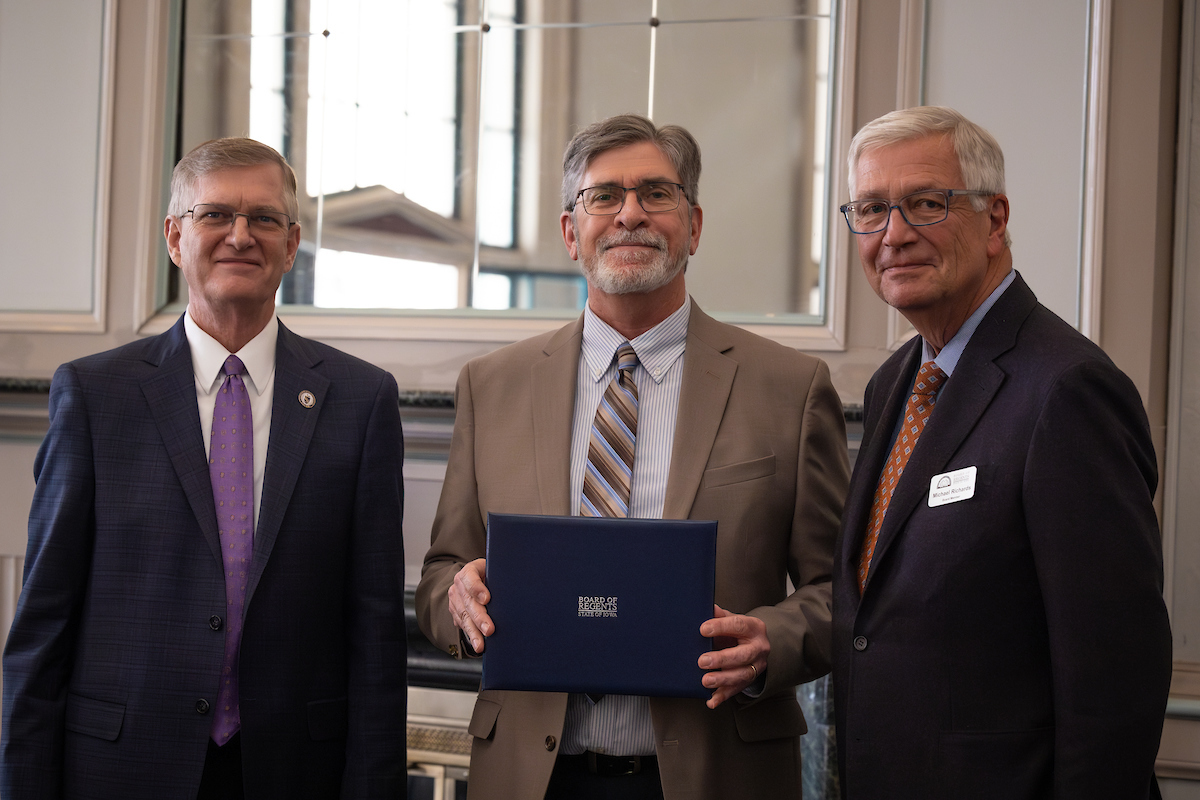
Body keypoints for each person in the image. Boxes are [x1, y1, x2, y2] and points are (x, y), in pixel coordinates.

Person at [416, 114, 849, 800]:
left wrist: (770, 640)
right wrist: (456, 601)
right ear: (570, 232)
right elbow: (441, 574)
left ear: (695, 225)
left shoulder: (789, 390)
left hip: (716, 774)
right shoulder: (491, 385)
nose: (630, 216)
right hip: (531, 777)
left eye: (656, 194)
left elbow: (841, 592)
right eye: (603, 198)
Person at [1, 138, 408, 799]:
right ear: (175, 236)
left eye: (264, 219)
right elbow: (43, 623)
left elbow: (375, 631)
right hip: (121, 767)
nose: (240, 236)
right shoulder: (95, 395)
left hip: (294, 771)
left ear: (292, 241)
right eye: (215, 214)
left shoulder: (360, 401)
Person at [831, 106, 1172, 799]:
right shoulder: (895, 380)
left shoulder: (1069, 391)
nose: (893, 235)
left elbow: (1115, 679)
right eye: (871, 210)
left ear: (994, 219)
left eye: (926, 203)